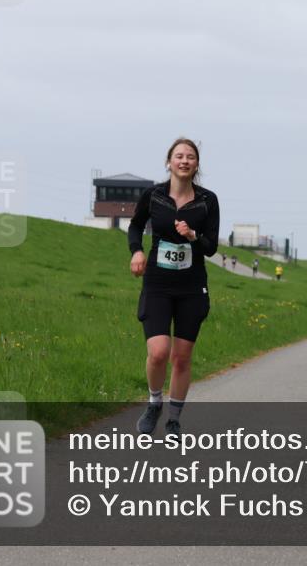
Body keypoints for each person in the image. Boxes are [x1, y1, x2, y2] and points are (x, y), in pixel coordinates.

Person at [129, 138, 219, 436]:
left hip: (192, 287)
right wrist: (137, 251)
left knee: (181, 356)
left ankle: (174, 419)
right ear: (169, 162)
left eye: (190, 157)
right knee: (158, 352)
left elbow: (210, 247)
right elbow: (135, 226)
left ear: (196, 165)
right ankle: (155, 402)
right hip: (157, 283)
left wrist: (193, 235)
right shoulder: (154, 196)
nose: (184, 161)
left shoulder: (207, 200)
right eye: (179, 156)